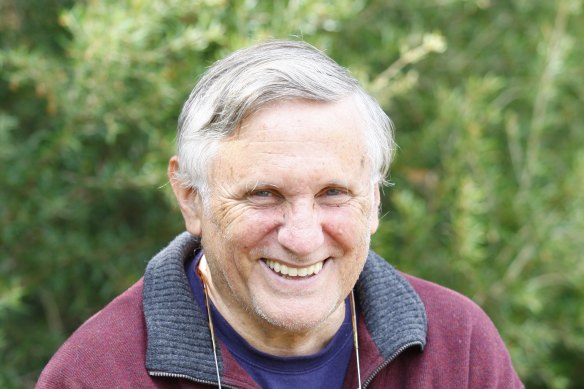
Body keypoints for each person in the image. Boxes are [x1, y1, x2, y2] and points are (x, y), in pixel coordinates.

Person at [37, 40, 523, 388]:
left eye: (334, 192)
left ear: (374, 200)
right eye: (264, 195)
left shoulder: (460, 347)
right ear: (189, 197)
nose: (302, 237)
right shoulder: (94, 373)